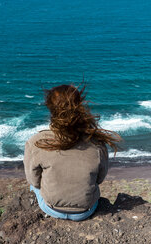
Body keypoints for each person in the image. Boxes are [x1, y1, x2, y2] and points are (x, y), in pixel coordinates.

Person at [24, 84, 121, 221]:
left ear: (50, 108)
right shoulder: (96, 143)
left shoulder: (37, 142)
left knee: (32, 187)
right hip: (85, 210)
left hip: (51, 208)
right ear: (80, 106)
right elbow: (99, 179)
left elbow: (34, 181)